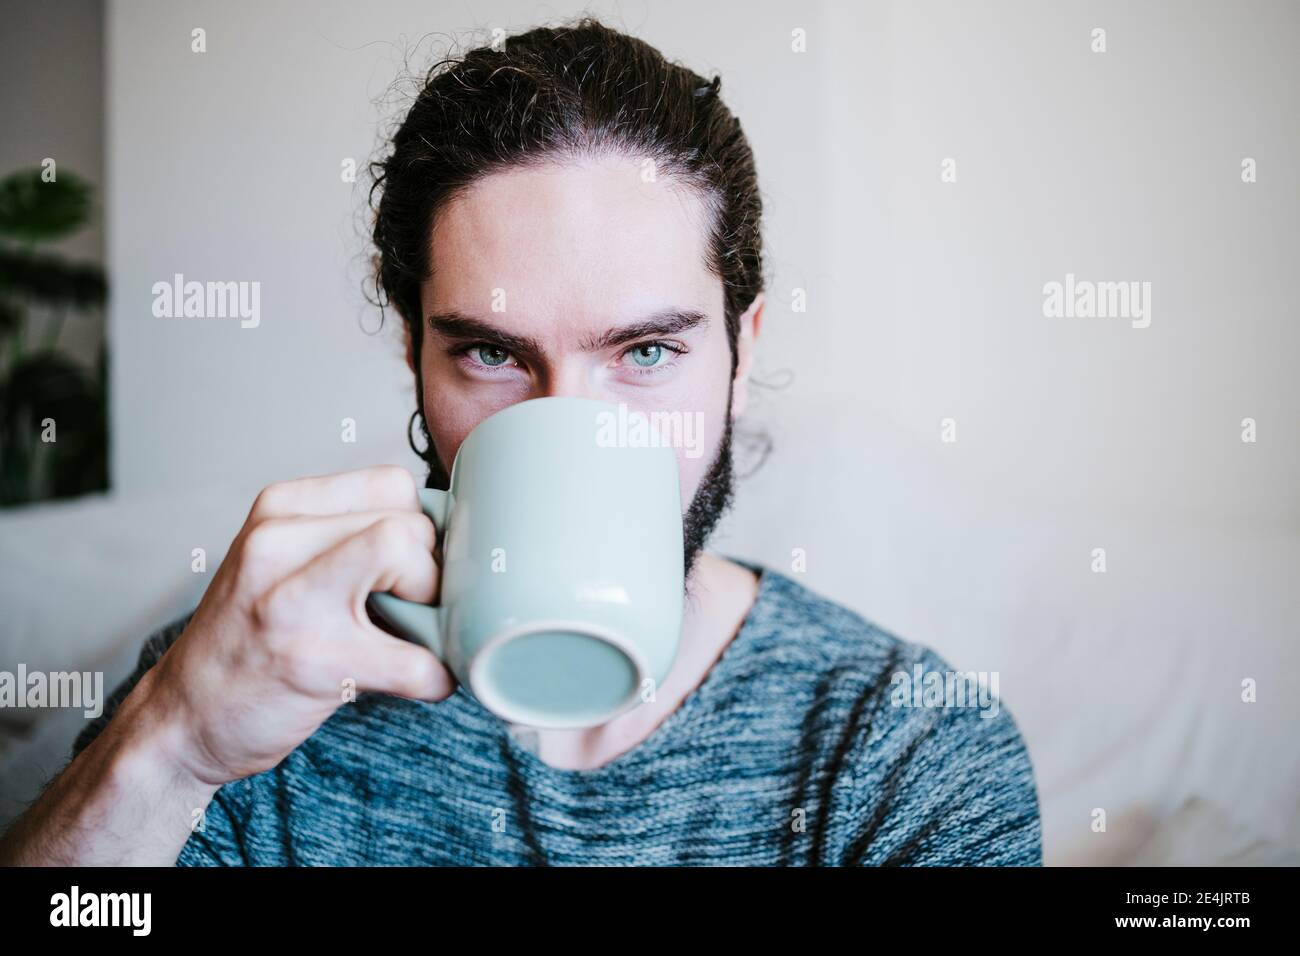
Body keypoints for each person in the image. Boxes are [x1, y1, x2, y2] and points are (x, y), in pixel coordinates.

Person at [0, 17, 1040, 866]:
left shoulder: (908, 749)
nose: (569, 424)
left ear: (742, 345)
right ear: (414, 348)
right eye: (493, 355)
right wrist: (169, 745)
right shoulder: (249, 684)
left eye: (643, 352)